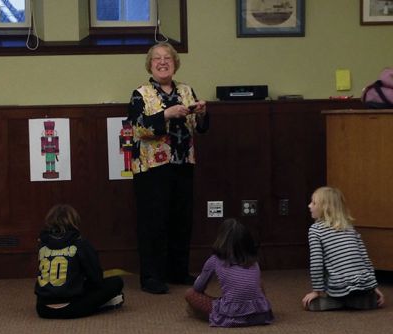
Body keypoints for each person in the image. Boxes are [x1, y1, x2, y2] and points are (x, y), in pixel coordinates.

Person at [128, 42, 209, 294]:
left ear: (175, 63)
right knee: (154, 222)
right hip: (152, 168)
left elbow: (199, 127)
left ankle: (178, 270)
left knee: (181, 219)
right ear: (150, 65)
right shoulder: (140, 94)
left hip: (183, 163)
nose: (163, 62)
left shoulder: (186, 90)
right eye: (157, 59)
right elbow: (139, 128)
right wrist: (167, 114)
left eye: (167, 58)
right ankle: (151, 276)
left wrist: (203, 113)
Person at [302, 186, 385, 311]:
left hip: (338, 285)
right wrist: (373, 286)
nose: (309, 205)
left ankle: (337, 301)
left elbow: (316, 263)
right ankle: (358, 301)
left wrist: (316, 291)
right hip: (363, 283)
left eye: (313, 203)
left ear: (325, 208)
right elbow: (364, 258)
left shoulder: (315, 230)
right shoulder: (350, 228)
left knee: (317, 301)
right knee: (364, 297)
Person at [34, 204, 124, 319]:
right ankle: (101, 305)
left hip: (43, 309)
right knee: (116, 282)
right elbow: (96, 279)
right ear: (75, 222)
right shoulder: (81, 243)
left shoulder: (42, 244)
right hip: (73, 307)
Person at [185, 218, 274, 327]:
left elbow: (198, 287)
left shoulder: (214, 260)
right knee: (259, 282)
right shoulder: (253, 262)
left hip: (231, 313)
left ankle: (219, 315)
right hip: (260, 315)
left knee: (190, 293)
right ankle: (250, 310)